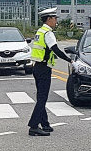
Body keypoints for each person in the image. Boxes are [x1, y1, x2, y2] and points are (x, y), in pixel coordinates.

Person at [28, 7, 73, 137]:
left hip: (37, 67)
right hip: (43, 68)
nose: (56, 21)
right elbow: (55, 49)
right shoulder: (48, 33)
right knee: (42, 98)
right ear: (49, 19)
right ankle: (33, 126)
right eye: (54, 18)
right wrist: (69, 60)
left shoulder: (40, 31)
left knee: (41, 96)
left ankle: (45, 124)